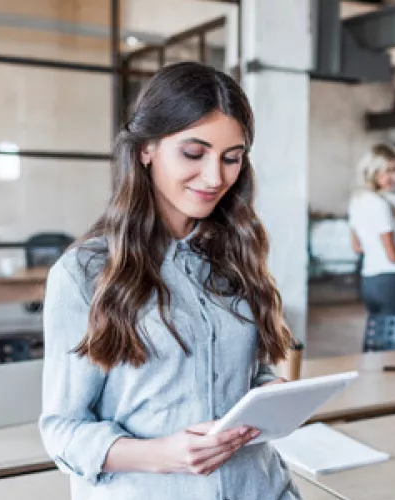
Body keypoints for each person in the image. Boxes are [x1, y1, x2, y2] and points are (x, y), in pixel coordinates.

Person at [39, 62, 301, 499]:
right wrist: (162, 453)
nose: (215, 177)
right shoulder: (84, 273)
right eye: (194, 154)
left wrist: (267, 394)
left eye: (231, 158)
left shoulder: (235, 256)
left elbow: (245, 376)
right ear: (147, 149)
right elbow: (62, 431)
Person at [348, 144, 395, 315]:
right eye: (389, 170)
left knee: (378, 334)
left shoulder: (357, 200)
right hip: (392, 280)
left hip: (369, 281)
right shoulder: (380, 205)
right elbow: (393, 256)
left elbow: (357, 247)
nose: (394, 176)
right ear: (374, 171)